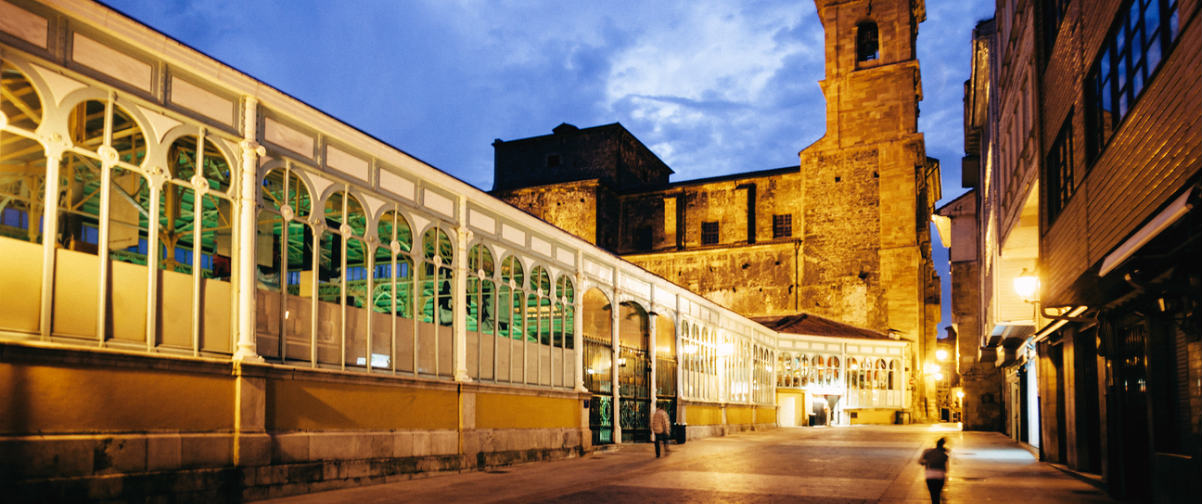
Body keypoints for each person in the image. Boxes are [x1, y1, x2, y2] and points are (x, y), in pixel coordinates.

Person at [919, 437, 949, 504]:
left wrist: (927, 462)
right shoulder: (944, 455)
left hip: (930, 475)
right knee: (938, 493)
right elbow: (946, 468)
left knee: (933, 494)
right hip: (940, 476)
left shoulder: (927, 451)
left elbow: (920, 462)